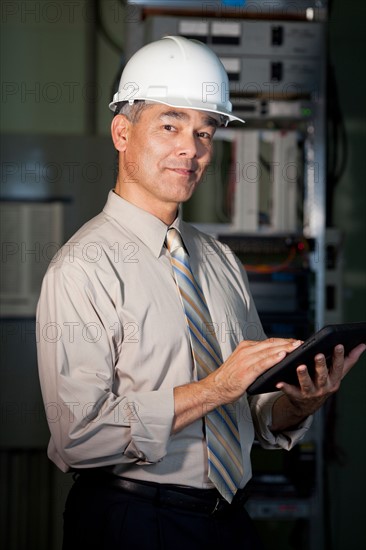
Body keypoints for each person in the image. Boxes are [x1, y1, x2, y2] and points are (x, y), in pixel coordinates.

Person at [36, 36, 365, 550]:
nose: (192, 148)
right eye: (170, 125)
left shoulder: (217, 260)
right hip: (133, 522)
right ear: (122, 132)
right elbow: (78, 437)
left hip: (229, 520)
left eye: (205, 132)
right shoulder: (83, 267)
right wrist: (216, 387)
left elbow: (250, 409)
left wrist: (298, 405)